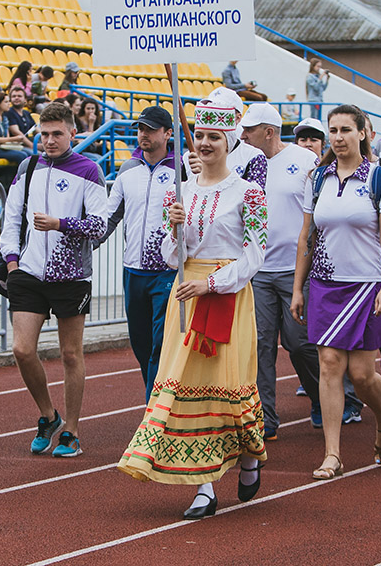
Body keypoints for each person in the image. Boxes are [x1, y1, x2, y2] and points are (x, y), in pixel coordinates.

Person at [117, 103, 268, 518]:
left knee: (228, 384)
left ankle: (250, 455)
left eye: (213, 137)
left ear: (229, 142)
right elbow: (171, 257)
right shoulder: (180, 191)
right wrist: (176, 228)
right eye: (199, 136)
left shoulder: (249, 193)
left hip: (228, 296)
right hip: (186, 294)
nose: (203, 144)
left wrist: (213, 283)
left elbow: (256, 254)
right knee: (180, 383)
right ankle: (203, 485)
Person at [290, 104, 381, 480]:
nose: (338, 138)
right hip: (324, 282)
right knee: (329, 365)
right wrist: (297, 288)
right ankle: (332, 454)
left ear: (362, 133)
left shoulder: (380, 179)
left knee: (361, 373)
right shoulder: (316, 180)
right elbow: (307, 235)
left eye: (345, 130)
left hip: (367, 287)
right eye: (333, 131)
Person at [1, 101, 108, 460]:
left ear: (72, 134)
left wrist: (61, 224)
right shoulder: (28, 166)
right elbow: (12, 218)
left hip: (71, 275)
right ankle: (48, 416)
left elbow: (99, 225)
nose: (49, 141)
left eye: (56, 134)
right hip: (28, 273)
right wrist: (12, 262)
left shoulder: (89, 170)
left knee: (70, 354)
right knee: (21, 349)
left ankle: (72, 431)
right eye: (44, 134)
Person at [239, 102, 328, 438]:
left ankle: (323, 396)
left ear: (269, 132)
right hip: (259, 269)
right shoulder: (246, 163)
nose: (243, 135)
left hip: (296, 271)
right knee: (260, 346)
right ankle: (266, 419)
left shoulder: (305, 161)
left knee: (299, 343)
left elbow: (319, 211)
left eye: (250, 130)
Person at [100, 106, 179, 400]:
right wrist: (87, 243)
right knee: (141, 344)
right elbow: (110, 216)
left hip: (167, 271)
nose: (143, 135)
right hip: (133, 270)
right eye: (140, 129)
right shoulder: (128, 168)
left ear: (167, 134)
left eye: (150, 129)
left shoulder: (182, 169)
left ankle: (153, 412)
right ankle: (160, 402)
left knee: (160, 344)